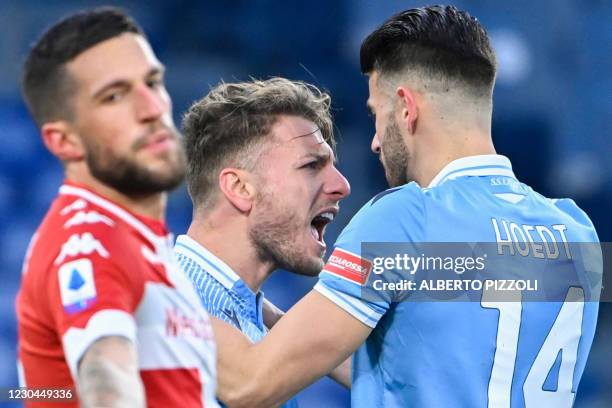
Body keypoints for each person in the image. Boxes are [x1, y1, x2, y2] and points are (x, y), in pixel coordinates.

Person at [211, 5, 602, 408]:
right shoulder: (576, 231)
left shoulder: (405, 219)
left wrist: (162, 282)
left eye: (376, 115)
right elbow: (423, 371)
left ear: (406, 108)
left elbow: (250, 386)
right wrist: (274, 317)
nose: (375, 141)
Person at [16, 7, 218, 408]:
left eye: (152, 82)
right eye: (114, 96)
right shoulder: (91, 239)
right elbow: (106, 376)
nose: (152, 108)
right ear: (64, 142)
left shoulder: (139, 240)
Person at [175, 77, 352, 406]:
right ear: (241, 189)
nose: (342, 185)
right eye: (311, 165)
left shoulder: (254, 320)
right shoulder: (158, 306)